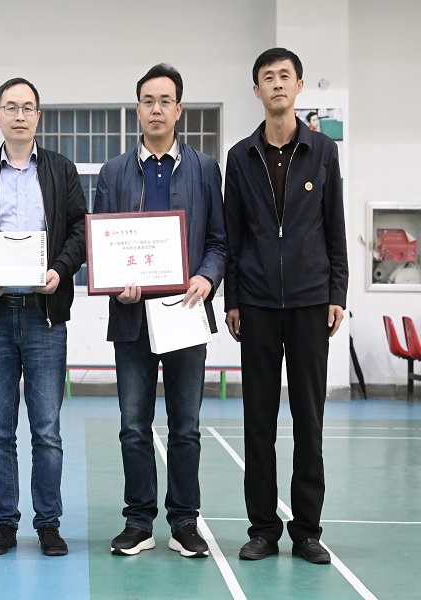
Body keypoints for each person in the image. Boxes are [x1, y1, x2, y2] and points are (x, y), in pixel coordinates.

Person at [93, 64, 227, 558]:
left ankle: (185, 522)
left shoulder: (204, 169)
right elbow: (101, 245)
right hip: (132, 318)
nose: (156, 109)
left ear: (178, 109)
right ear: (138, 109)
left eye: (165, 101)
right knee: (133, 425)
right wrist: (116, 286)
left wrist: (206, 277)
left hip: (185, 312)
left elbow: (219, 241)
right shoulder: (113, 173)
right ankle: (138, 522)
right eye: (148, 101)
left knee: (185, 426)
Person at [0, 77, 86, 557]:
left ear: (38, 117)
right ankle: (5, 524)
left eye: (28, 107)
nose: (20, 115)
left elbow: (80, 231)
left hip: (45, 315)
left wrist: (60, 269)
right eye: (11, 107)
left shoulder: (61, 170)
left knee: (47, 429)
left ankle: (48, 524)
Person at [224, 48, 348, 565]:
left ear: (298, 87)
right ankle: (262, 529)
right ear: (256, 90)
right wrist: (232, 298)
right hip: (254, 303)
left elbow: (335, 226)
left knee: (308, 422)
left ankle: (307, 531)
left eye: (285, 76)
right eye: (267, 78)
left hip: (309, 302)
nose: (277, 84)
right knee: (258, 422)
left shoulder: (323, 151)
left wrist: (337, 293)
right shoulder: (240, 157)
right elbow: (232, 235)